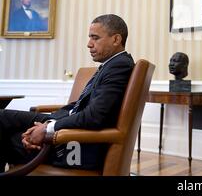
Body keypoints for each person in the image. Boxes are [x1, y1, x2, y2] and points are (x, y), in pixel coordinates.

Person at [0, 14, 134, 172]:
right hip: (70, 124)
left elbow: (94, 117)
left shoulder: (119, 67)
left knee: (8, 138)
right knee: (3, 117)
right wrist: (49, 123)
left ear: (116, 39)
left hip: (78, 144)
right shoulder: (112, 64)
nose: (89, 44)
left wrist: (48, 128)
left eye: (95, 38)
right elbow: (78, 107)